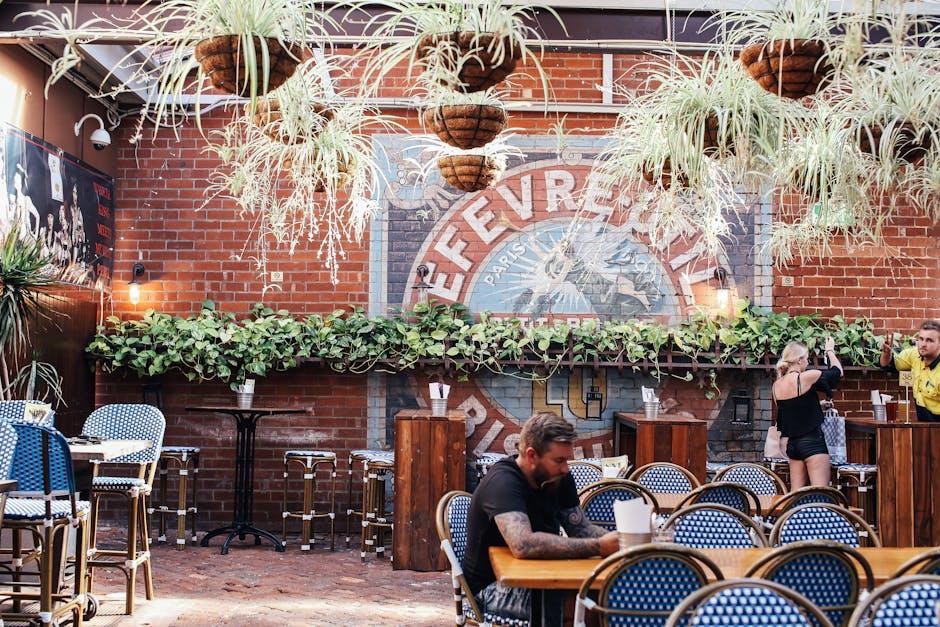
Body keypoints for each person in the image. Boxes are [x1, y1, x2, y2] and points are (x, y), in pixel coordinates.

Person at [462, 411, 620, 626]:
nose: (566, 468)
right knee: (571, 601)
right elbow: (523, 545)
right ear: (532, 455)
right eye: (559, 460)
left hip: (543, 574)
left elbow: (581, 529)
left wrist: (627, 543)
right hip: (491, 589)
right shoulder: (503, 482)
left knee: (610, 589)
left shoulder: (558, 476)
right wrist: (599, 546)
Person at [773, 337, 843, 490]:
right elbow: (837, 373)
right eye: (806, 359)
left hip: (793, 446)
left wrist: (818, 405)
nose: (808, 363)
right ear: (799, 360)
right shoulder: (806, 377)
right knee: (822, 493)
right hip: (812, 442)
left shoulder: (776, 385)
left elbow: (792, 408)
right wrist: (830, 350)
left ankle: (791, 515)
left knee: (795, 494)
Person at [880, 319, 940, 422]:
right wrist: (886, 353)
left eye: (929, 340)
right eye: (921, 339)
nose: (923, 344)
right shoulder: (913, 355)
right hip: (923, 429)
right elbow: (887, 364)